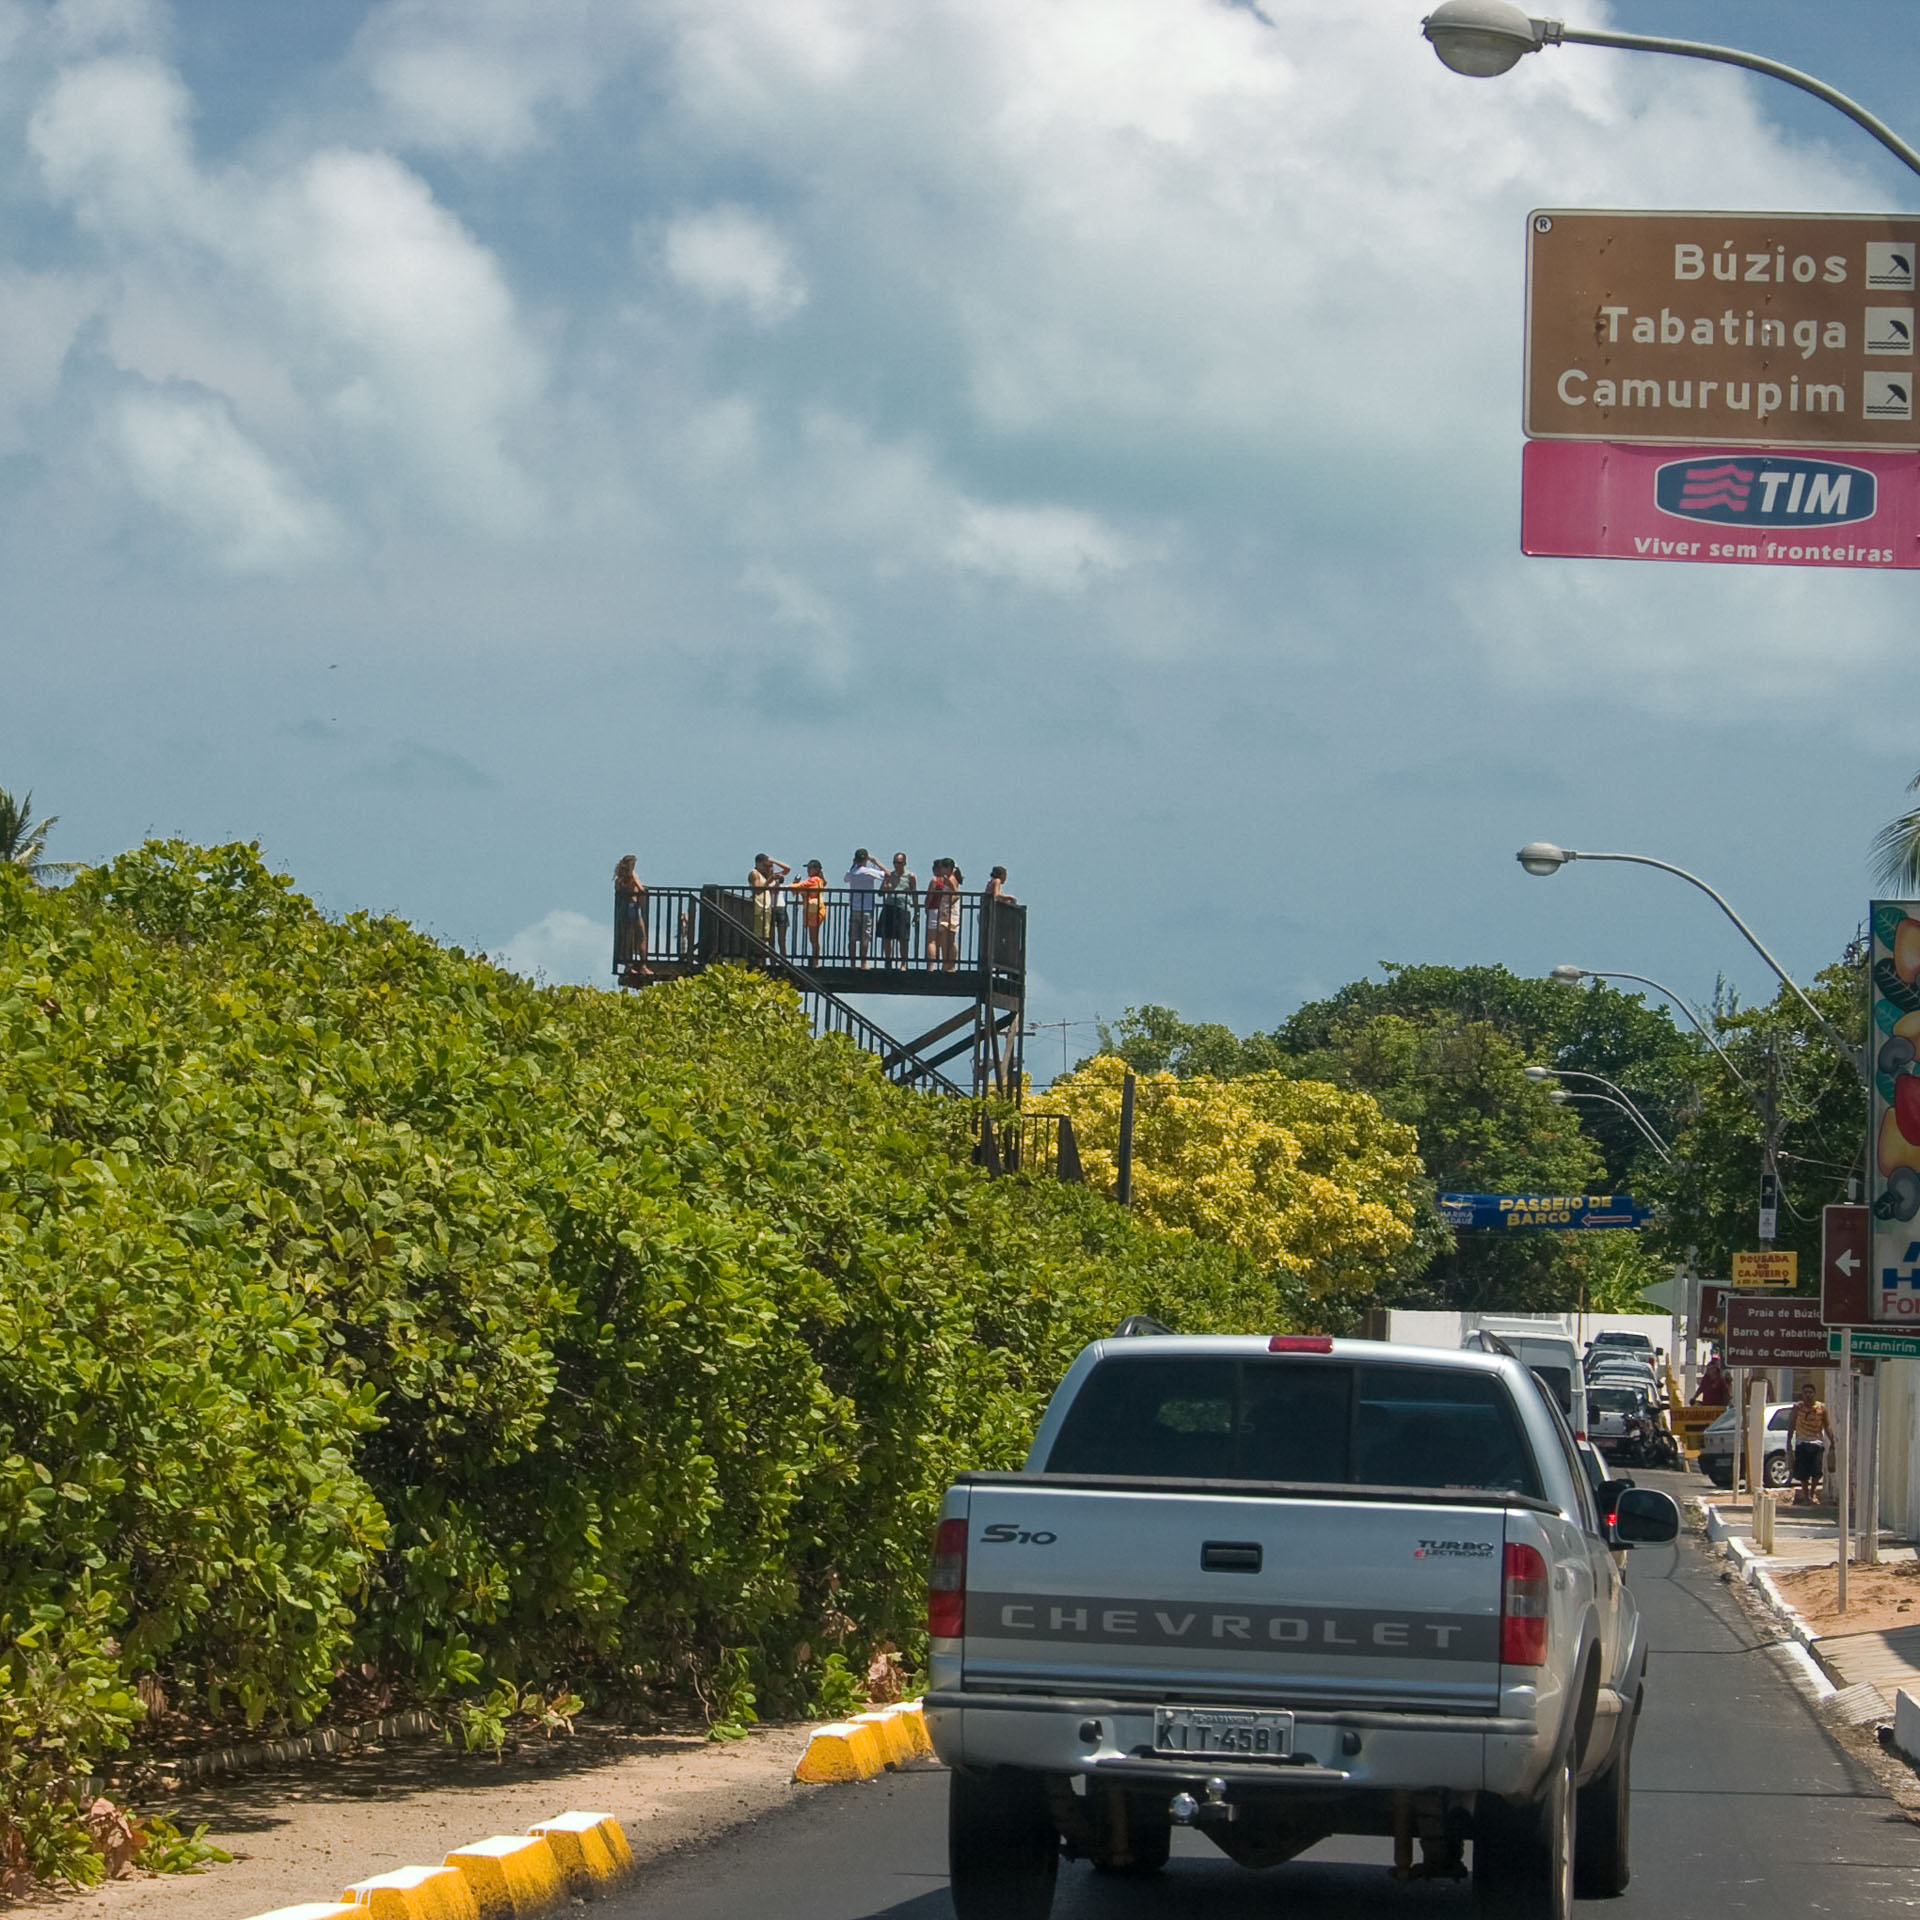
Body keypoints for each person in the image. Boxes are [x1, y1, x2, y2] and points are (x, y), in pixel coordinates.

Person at [1787, 1381, 1832, 1505]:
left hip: (1817, 1444)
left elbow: (1827, 1426)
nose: (1808, 1395)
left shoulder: (1821, 1408)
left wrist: (1833, 1441)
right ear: (1802, 1394)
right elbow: (1791, 1424)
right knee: (1803, 1473)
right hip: (1802, 1443)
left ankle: (1812, 1492)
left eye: (1810, 1392)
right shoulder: (1797, 1408)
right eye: (1805, 1392)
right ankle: (1806, 1496)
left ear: (1815, 1394)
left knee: (1817, 1472)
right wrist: (1788, 1442)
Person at [613, 854, 652, 982]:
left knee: (627, 938)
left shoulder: (619, 878)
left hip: (623, 908)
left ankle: (628, 966)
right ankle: (643, 966)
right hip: (632, 907)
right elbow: (641, 889)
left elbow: (618, 890)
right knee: (641, 937)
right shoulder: (632, 876)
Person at [845, 848, 886, 966]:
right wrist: (876, 862)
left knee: (852, 937)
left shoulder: (852, 872)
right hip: (867, 908)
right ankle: (863, 963)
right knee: (865, 937)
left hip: (854, 908)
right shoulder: (869, 872)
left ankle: (852, 963)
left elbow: (846, 879)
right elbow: (887, 874)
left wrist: (853, 865)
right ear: (866, 859)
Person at [878, 852, 917, 965]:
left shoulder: (910, 876)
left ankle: (903, 963)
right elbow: (880, 893)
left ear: (904, 863)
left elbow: (914, 894)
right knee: (886, 937)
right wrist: (885, 887)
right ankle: (888, 961)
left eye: (899, 862)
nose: (896, 865)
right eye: (894, 862)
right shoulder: (889, 875)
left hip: (903, 908)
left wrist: (917, 911)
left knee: (903, 938)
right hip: (889, 906)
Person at [925, 857, 962, 971]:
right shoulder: (948, 878)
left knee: (950, 940)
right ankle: (946, 964)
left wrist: (949, 904)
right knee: (946, 939)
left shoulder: (950, 879)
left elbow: (956, 894)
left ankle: (950, 965)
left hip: (949, 912)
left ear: (948, 868)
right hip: (946, 911)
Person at [749, 853, 789, 952]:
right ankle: (765, 961)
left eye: (770, 866)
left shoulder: (768, 876)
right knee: (765, 938)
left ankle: (780, 962)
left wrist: (773, 861)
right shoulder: (756, 874)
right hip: (762, 909)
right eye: (766, 865)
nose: (768, 868)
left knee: (774, 938)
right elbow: (758, 890)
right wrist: (770, 881)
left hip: (770, 909)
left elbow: (787, 869)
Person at [791, 859, 827, 962]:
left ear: (816, 869)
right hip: (815, 911)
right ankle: (815, 960)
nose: (808, 870)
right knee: (813, 938)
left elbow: (799, 887)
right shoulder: (819, 881)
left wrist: (793, 884)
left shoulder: (814, 880)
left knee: (813, 938)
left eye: (810, 868)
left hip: (813, 912)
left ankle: (815, 961)